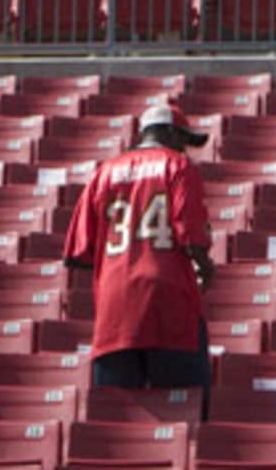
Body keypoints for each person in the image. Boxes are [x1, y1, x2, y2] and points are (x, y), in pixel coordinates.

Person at [63, 103, 215, 391]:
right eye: (183, 140)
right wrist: (205, 267)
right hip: (168, 300)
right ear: (170, 133)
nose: (185, 149)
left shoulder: (103, 172)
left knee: (117, 418)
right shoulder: (178, 166)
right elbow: (191, 235)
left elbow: (78, 254)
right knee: (184, 408)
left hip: (114, 306)